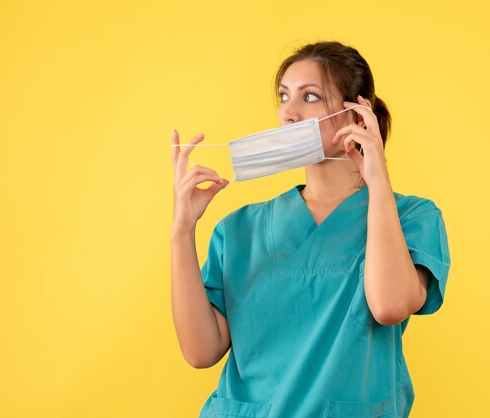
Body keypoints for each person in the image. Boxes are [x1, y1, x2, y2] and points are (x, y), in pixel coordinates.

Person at [170, 41, 451, 418]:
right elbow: (201, 351)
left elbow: (390, 306)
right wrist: (182, 231)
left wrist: (378, 179)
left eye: (311, 97)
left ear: (356, 115)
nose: (288, 112)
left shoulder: (411, 217)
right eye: (284, 96)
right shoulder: (239, 230)